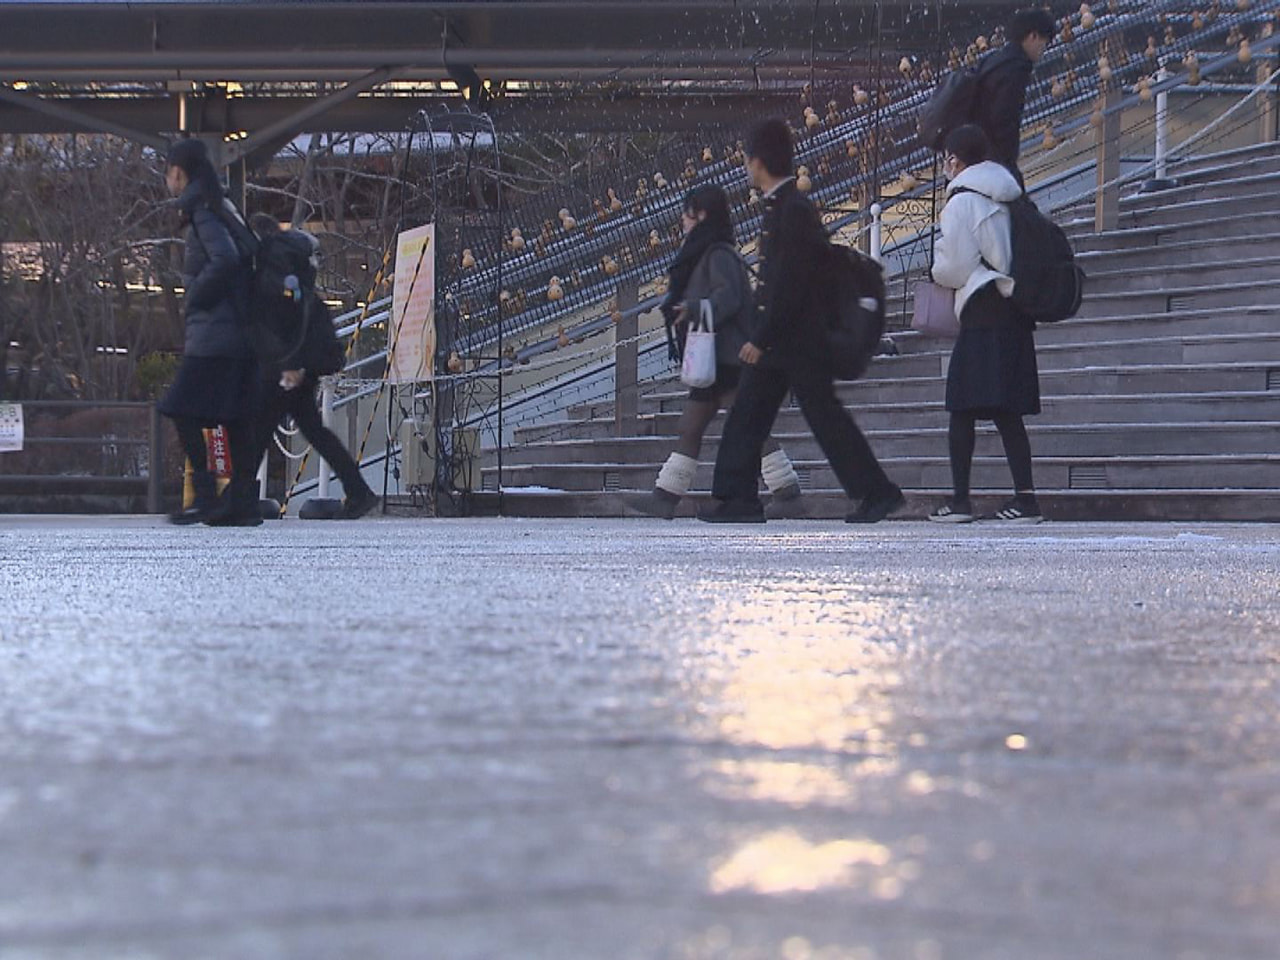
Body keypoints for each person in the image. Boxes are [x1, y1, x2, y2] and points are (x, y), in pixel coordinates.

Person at [701, 119, 903, 524]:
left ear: (758, 162)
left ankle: (875, 492)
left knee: (807, 416)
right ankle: (737, 496)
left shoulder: (792, 210)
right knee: (755, 411)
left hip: (795, 338)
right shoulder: (787, 207)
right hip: (790, 337)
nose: (745, 167)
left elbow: (789, 282)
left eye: (746, 159)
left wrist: (762, 334)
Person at [629, 185, 804, 519]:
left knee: (743, 427)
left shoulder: (718, 254)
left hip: (727, 358)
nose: (683, 218)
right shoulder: (708, 252)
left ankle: (785, 490)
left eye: (688, 211)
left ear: (703, 214)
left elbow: (729, 299)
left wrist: (693, 308)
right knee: (694, 426)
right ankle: (665, 496)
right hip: (715, 358)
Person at [928, 124, 1042, 524]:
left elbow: (955, 266)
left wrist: (937, 270)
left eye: (946, 159)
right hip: (1014, 309)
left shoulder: (962, 201)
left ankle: (960, 500)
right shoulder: (1008, 193)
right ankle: (1025, 498)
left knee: (961, 406)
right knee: (1006, 410)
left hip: (982, 309)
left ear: (955, 160)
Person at [247, 215, 379, 520]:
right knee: (312, 431)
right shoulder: (291, 267)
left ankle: (237, 497)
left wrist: (288, 364)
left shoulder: (271, 267)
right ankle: (359, 491)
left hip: (288, 365)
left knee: (261, 429)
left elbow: (280, 320)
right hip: (302, 361)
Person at [158, 137, 262, 526]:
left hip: (215, 333)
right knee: (235, 417)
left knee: (177, 406)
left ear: (179, 173)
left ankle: (204, 495)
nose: (167, 179)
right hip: (238, 331)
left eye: (168, 171)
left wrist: (196, 297)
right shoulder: (223, 205)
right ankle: (242, 504)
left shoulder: (202, 210)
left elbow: (225, 258)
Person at [971, 7, 1054, 187]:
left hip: (975, 151)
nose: (1043, 50)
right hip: (993, 158)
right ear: (1033, 36)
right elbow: (1004, 117)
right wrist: (1007, 163)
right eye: (1044, 43)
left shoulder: (994, 60)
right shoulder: (1016, 68)